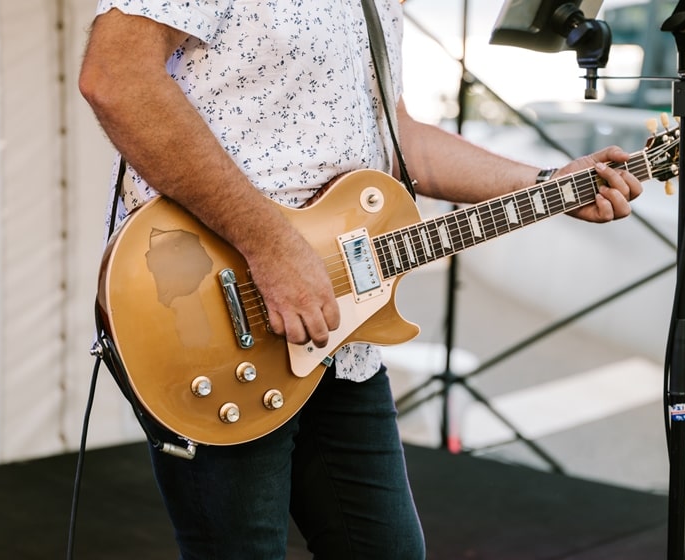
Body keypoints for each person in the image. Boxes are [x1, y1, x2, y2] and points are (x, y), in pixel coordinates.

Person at [79, 1, 643, 558]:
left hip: (341, 338)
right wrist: (271, 248)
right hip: (217, 317)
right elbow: (115, 78)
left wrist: (546, 183)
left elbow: (400, 138)